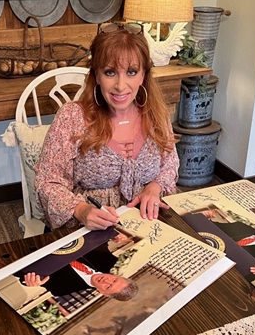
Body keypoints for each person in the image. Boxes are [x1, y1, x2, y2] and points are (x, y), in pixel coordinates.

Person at [34, 23, 180, 231]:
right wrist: (81, 210)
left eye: (131, 72)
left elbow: (169, 165)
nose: (120, 86)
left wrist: (154, 188)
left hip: (147, 225)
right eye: (110, 72)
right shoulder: (71, 117)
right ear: (96, 76)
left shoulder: (156, 115)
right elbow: (47, 183)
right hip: (86, 230)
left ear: (144, 75)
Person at [21, 259, 139, 302]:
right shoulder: (105, 258)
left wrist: (31, 281)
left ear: (104, 293)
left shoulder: (62, 289)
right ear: (117, 276)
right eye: (114, 280)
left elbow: (23, 278)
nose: (106, 281)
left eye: (108, 287)